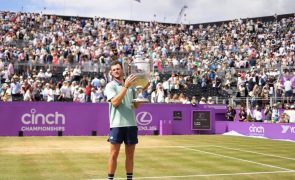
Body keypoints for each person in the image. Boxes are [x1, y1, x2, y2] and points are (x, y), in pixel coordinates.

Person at [105, 61, 145, 180]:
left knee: (130, 155)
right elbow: (115, 102)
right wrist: (126, 86)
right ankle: (110, 179)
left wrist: (140, 93)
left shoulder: (131, 86)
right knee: (113, 154)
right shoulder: (110, 86)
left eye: (118, 69)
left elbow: (136, 106)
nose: (116, 71)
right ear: (111, 73)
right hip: (117, 125)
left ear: (122, 70)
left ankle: (129, 178)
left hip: (131, 124)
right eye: (114, 70)